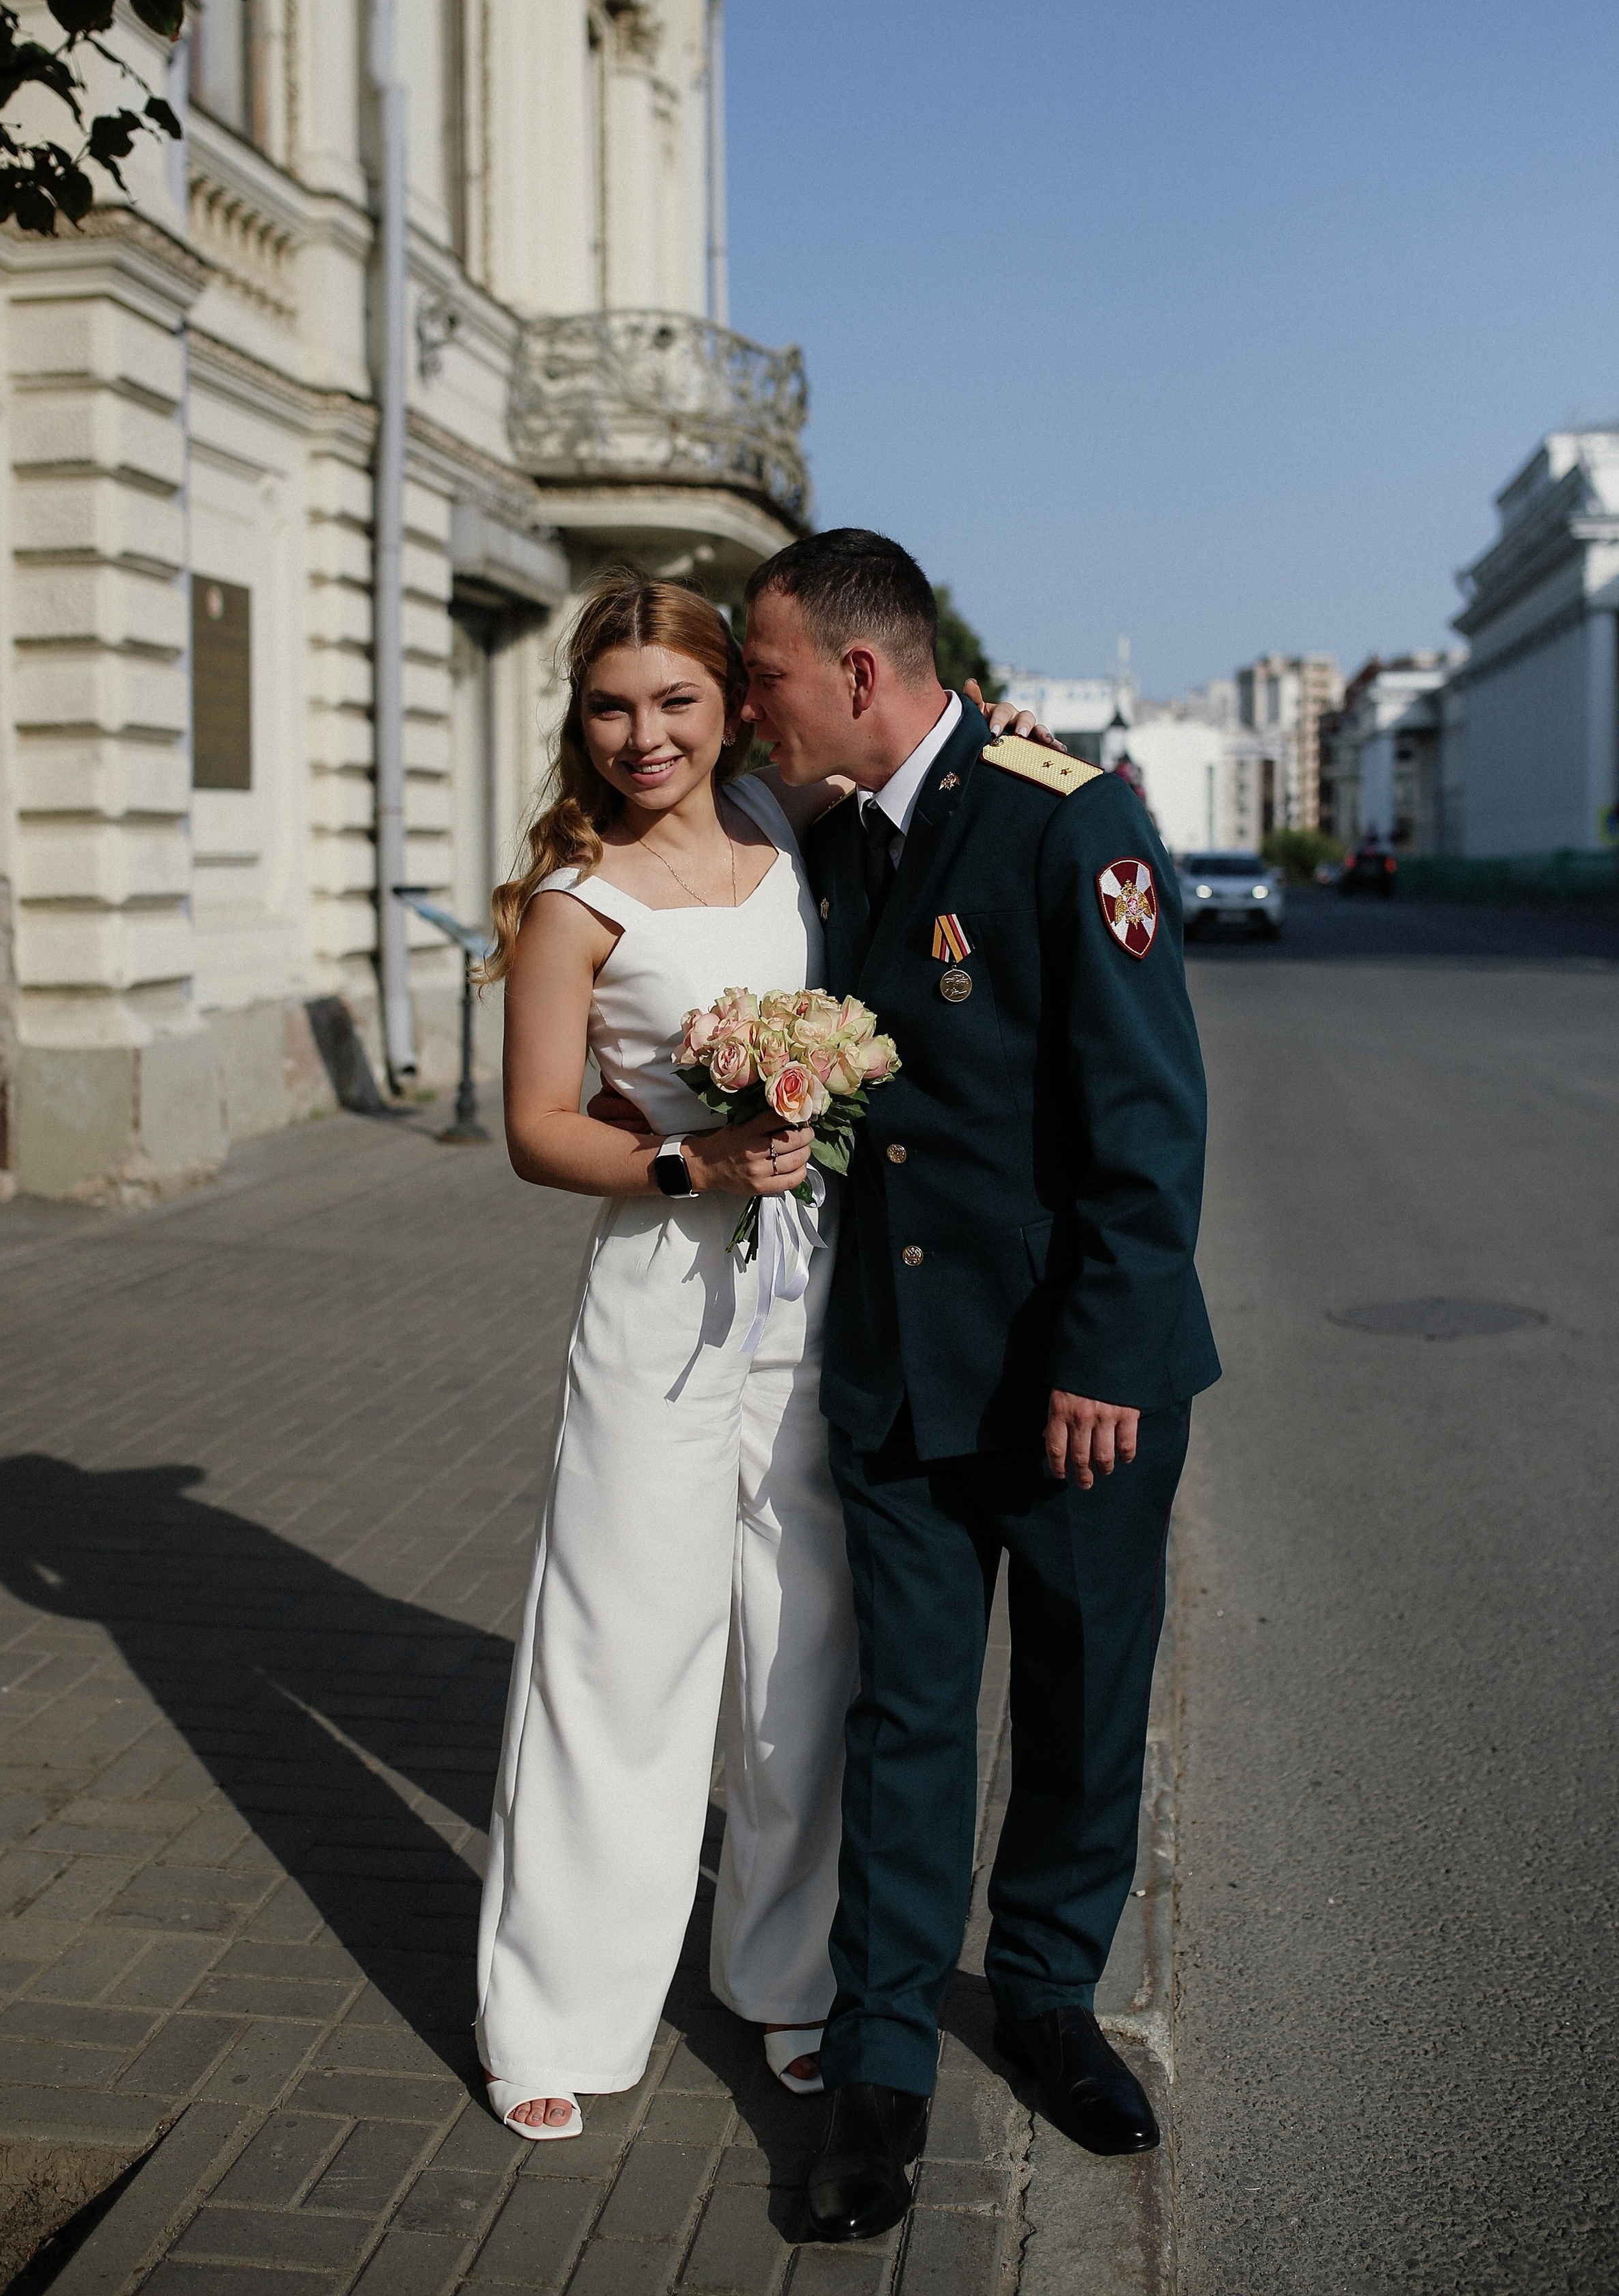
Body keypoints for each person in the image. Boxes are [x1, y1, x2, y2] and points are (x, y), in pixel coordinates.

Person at [473, 566, 1056, 2141]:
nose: (641, 735)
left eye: (674, 701)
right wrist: (687, 1164)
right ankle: (556, 2012)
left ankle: (786, 1983)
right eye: (609, 706)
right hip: (661, 1295)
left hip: (821, 1293)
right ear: (580, 723)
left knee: (807, 1655)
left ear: (731, 700)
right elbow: (532, 1132)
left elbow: (919, 773)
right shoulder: (569, 904)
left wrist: (991, 729)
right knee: (621, 1658)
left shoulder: (787, 824)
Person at [738, 531, 1220, 2242]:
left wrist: (1101, 1349)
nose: (747, 708)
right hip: (895, 1364)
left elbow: (1146, 1112)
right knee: (908, 1715)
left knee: (1085, 1701)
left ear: (859, 675)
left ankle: (1041, 1996)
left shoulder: (1064, 815)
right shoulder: (820, 828)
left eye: (766, 675)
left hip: (1069, 1372)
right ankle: (877, 2066)